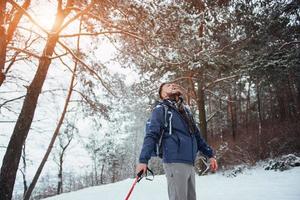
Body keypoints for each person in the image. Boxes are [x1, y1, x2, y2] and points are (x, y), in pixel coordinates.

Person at [136, 82, 218, 200]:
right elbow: (151, 135)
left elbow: (197, 137)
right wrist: (143, 160)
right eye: (168, 86)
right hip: (174, 161)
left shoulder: (185, 111)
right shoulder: (160, 110)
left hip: (189, 163)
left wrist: (210, 155)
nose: (173, 85)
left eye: (174, 85)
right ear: (163, 94)